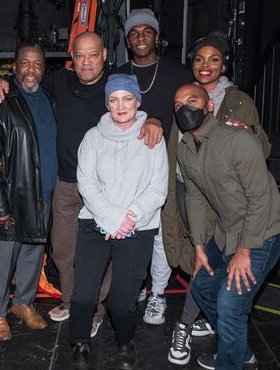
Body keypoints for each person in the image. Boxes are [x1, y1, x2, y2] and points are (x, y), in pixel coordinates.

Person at [0, 32, 163, 337]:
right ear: (71, 57)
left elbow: (144, 104)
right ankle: (74, 302)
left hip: (109, 189)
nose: (86, 62)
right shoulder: (59, 82)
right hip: (66, 184)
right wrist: (1, 83)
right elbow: (27, 80)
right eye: (79, 56)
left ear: (105, 54)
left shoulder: (117, 84)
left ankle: (95, 308)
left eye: (93, 55)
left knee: (108, 255)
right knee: (63, 251)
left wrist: (154, 120)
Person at [164, 32, 270, 365]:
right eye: (198, 59)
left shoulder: (238, 100)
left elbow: (262, 149)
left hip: (224, 196)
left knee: (211, 266)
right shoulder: (182, 96)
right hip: (189, 188)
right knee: (197, 257)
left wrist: (248, 133)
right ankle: (220, 327)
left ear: (223, 64)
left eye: (213, 59)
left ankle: (183, 325)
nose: (205, 65)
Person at [174, 83, 280, 370]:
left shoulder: (239, 140)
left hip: (265, 230)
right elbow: (195, 196)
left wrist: (244, 251)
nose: (184, 108)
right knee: (202, 287)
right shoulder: (185, 149)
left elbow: (260, 199)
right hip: (227, 231)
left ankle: (231, 362)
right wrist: (199, 247)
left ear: (209, 106)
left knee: (230, 304)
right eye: (178, 105)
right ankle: (240, 351)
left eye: (192, 100)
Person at [70, 74, 168, 370]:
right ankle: (79, 341)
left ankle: (125, 342)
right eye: (113, 99)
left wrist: (129, 217)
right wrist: (112, 218)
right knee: (84, 295)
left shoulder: (152, 136)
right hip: (96, 223)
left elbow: (158, 188)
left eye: (127, 98)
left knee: (122, 301)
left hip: (137, 226)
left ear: (138, 101)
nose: (120, 105)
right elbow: (85, 183)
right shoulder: (93, 136)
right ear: (107, 104)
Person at [113, 8, 194, 326]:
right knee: (132, 232)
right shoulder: (118, 73)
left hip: (167, 169)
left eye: (147, 31)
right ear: (128, 40)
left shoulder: (178, 73)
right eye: (134, 32)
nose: (141, 37)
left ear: (157, 37)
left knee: (161, 235)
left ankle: (158, 293)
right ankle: (137, 287)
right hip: (127, 170)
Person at [0, 42, 57, 341]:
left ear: (44, 68)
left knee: (34, 255)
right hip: (12, 196)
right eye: (25, 63)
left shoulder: (51, 99)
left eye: (37, 64)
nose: (31, 70)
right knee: (4, 259)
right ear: (15, 66)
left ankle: (23, 303)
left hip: (46, 194)